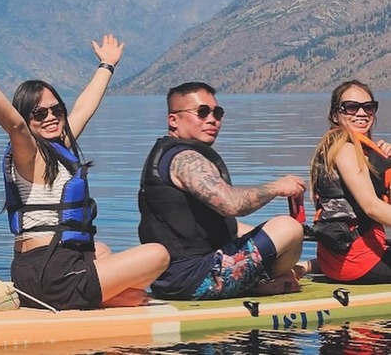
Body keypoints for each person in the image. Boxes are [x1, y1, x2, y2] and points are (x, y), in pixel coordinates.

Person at [0, 34, 169, 310]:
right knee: (158, 254)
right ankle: (111, 300)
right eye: (39, 114)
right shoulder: (29, 153)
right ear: (28, 119)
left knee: (101, 250)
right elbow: (14, 126)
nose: (50, 117)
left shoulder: (58, 146)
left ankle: (111, 299)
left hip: (35, 271)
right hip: (53, 274)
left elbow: (85, 107)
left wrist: (107, 65)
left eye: (56, 110)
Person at [138, 82, 305, 300]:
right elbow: (231, 205)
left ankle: (264, 279)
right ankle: (261, 283)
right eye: (202, 112)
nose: (212, 119)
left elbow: (225, 225)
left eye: (217, 112)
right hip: (194, 279)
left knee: (270, 235)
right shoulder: (185, 159)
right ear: (173, 120)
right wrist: (277, 187)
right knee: (288, 227)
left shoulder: (173, 154)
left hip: (175, 279)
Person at [307, 80, 391, 283]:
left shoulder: (351, 149)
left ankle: (306, 265)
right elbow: (372, 207)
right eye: (351, 107)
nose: (361, 113)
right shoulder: (345, 148)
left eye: (368, 107)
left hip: (338, 259)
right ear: (335, 114)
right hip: (360, 261)